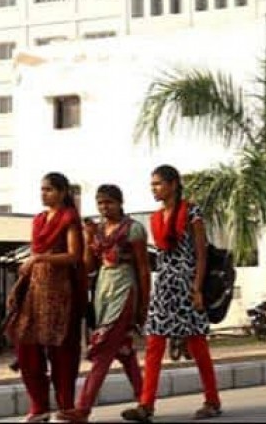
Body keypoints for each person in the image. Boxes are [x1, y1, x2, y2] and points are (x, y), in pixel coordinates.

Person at [122, 165, 221, 423]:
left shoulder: (192, 212)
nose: (153, 189)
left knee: (198, 345)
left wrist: (197, 288)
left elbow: (201, 254)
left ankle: (212, 401)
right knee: (154, 344)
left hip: (188, 285)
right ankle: (146, 405)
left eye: (158, 184)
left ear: (173, 184)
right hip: (165, 286)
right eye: (152, 184)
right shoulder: (156, 217)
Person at [64, 185, 151, 421]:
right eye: (100, 203)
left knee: (103, 348)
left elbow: (143, 268)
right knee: (123, 350)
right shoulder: (99, 230)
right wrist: (89, 237)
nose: (104, 207)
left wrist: (144, 303)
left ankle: (83, 408)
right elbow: (89, 266)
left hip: (125, 288)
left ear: (120, 203)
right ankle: (145, 400)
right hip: (103, 289)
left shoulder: (134, 229)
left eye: (109, 202)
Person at [6, 172, 85, 423]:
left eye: (49, 189)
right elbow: (34, 251)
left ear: (62, 192)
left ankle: (66, 406)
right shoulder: (39, 219)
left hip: (60, 291)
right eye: (42, 189)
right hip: (35, 289)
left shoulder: (69, 217)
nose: (44, 194)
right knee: (26, 345)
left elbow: (74, 255)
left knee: (61, 351)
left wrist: (39, 258)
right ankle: (38, 406)